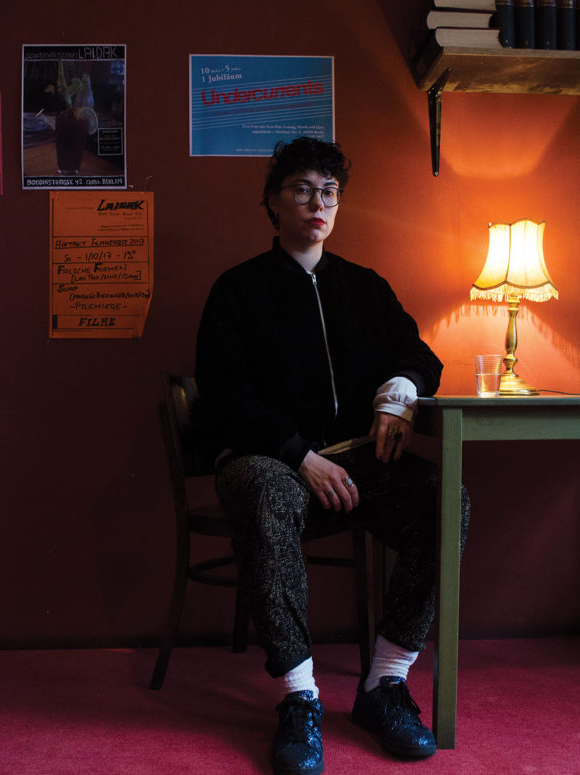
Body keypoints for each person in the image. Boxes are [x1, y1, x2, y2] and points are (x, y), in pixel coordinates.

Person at [195, 136, 469, 775]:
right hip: (268, 461)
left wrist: (400, 392)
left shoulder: (366, 287)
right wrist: (299, 455)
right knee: (266, 491)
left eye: (329, 192)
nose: (317, 204)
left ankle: (385, 683)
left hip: (359, 464)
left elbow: (418, 355)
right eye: (301, 190)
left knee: (444, 498)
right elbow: (226, 395)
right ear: (272, 202)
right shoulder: (236, 290)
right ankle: (299, 698)